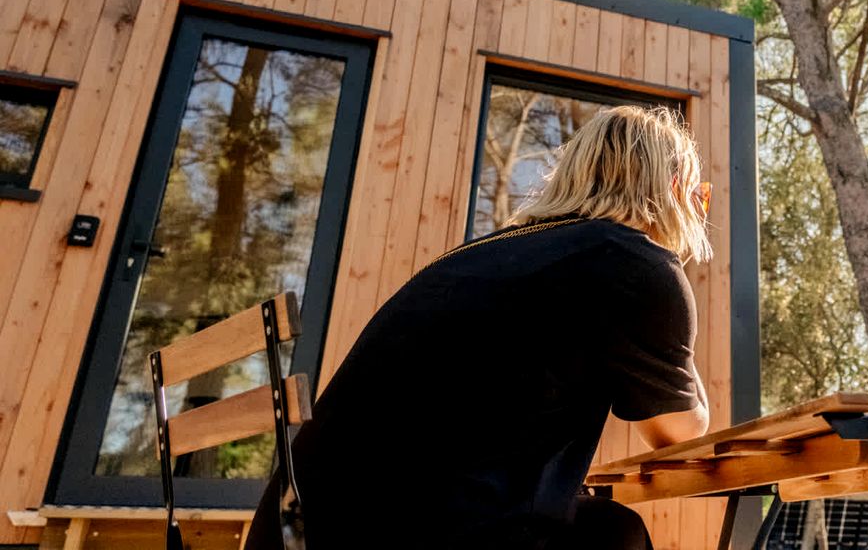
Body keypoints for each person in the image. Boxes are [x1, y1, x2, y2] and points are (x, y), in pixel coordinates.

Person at [243, 104, 712, 549]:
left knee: (601, 524)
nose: (699, 209)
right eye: (700, 194)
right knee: (612, 533)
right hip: (399, 532)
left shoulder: (483, 253)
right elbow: (680, 432)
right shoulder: (636, 264)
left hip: (292, 527)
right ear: (673, 187)